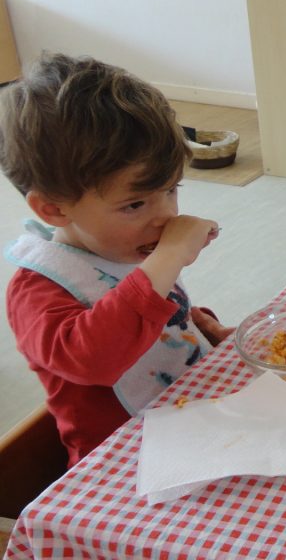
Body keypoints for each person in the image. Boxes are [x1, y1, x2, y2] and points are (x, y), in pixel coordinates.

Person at [0, 53, 233, 466]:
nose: (167, 216)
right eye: (135, 204)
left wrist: (202, 327)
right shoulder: (37, 289)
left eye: (172, 189)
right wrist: (172, 254)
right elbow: (95, 359)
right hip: (122, 463)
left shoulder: (121, 244)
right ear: (54, 209)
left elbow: (153, 308)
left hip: (192, 420)